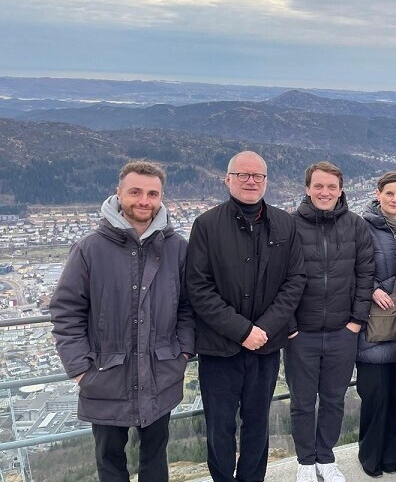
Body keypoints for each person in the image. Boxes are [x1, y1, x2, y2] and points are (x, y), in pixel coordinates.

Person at [50, 161, 193, 482]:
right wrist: (79, 370)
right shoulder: (89, 249)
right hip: (105, 376)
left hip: (161, 374)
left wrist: (182, 354)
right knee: (110, 462)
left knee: (155, 459)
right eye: (135, 192)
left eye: (152, 193)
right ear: (118, 194)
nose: (144, 200)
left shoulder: (177, 249)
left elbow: (188, 308)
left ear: (161, 197)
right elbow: (66, 311)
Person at [186, 151, 306, 482]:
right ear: (228, 179)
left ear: (267, 181)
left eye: (258, 176)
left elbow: (294, 282)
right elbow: (198, 288)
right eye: (243, 175)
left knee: (257, 424)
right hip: (218, 349)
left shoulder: (285, 224)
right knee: (219, 426)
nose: (251, 181)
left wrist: (263, 330)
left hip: (265, 348)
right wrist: (243, 331)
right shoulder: (206, 225)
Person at [287, 161, 375, 482]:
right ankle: (305, 461)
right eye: (319, 186)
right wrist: (290, 327)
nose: (325, 192)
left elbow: (366, 274)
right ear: (308, 188)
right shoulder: (289, 225)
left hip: (342, 331)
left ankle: (326, 457)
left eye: (332, 187)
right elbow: (278, 278)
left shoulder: (355, 225)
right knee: (302, 401)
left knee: (335, 399)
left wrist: (355, 321)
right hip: (301, 334)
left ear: (341, 191)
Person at [356, 172, 396, 478]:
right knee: (374, 397)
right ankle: (369, 457)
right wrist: (370, 290)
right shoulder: (361, 226)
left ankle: (389, 456)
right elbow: (350, 268)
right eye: (390, 193)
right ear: (378, 193)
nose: (395, 199)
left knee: (395, 397)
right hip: (372, 326)